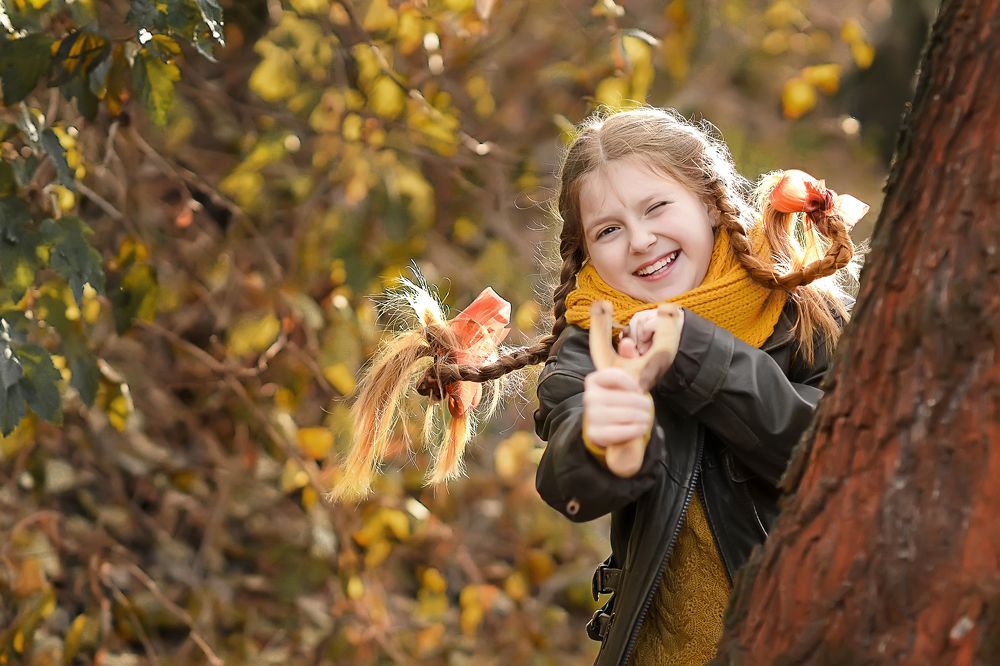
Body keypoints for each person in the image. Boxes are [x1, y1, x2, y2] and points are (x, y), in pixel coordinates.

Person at [334, 107, 868, 665]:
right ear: (586, 251)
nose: (640, 240)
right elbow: (568, 478)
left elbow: (832, 452)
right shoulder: (590, 346)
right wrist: (605, 442)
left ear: (710, 202)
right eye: (609, 230)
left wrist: (697, 355)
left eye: (657, 207)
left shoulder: (803, 314)